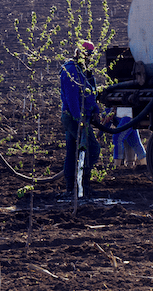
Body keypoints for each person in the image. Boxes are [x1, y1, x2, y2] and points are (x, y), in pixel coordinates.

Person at [60, 41, 102, 197]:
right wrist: (80, 120)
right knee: (92, 147)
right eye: (89, 56)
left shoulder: (83, 70)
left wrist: (96, 110)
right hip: (73, 117)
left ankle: (73, 189)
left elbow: (91, 93)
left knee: (72, 151)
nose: (90, 59)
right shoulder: (71, 70)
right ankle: (82, 185)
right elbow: (72, 99)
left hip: (79, 116)